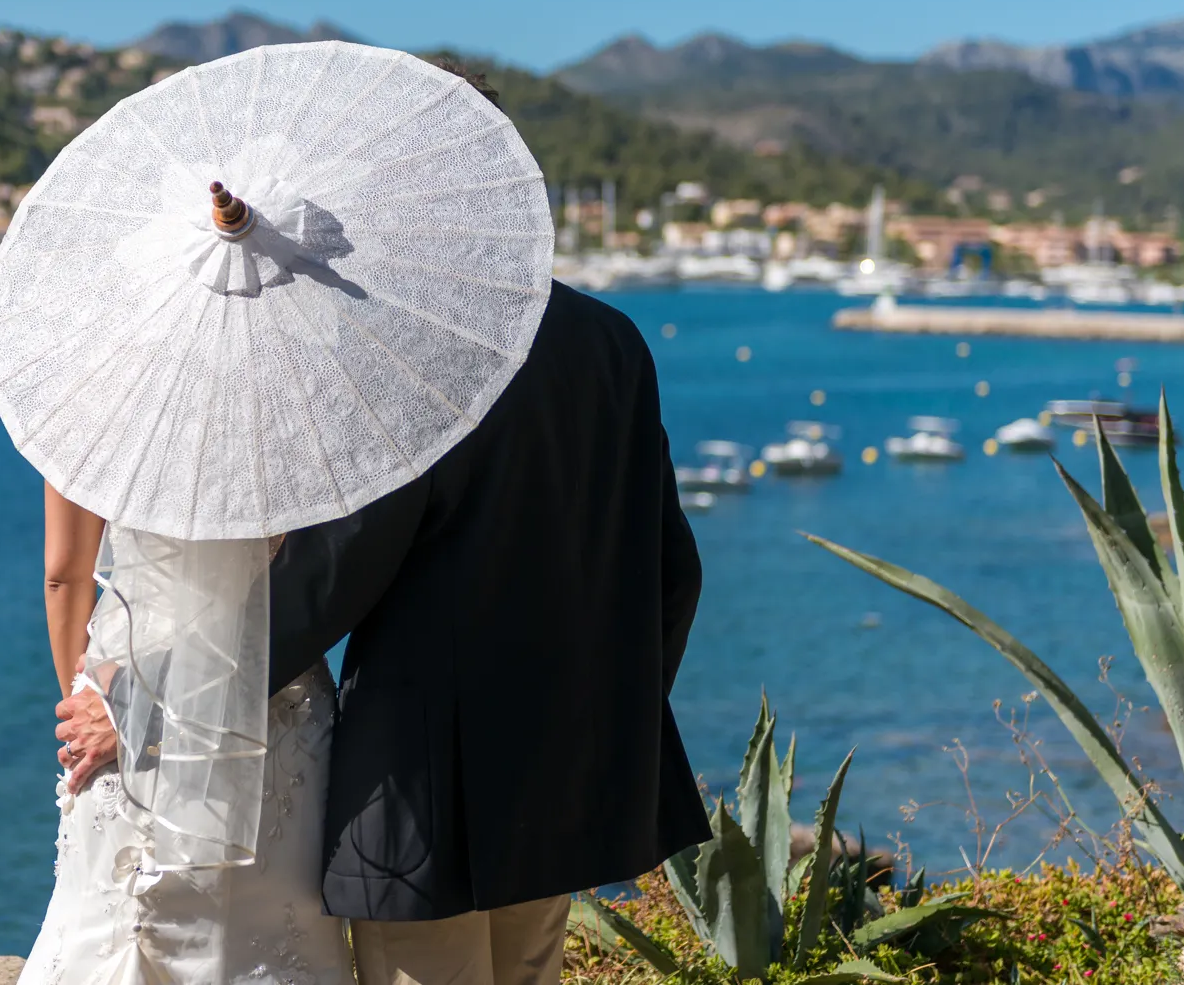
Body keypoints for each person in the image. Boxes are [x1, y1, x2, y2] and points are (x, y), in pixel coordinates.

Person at [56, 277, 709, 985]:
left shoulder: (420, 349)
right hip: (563, 776)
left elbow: (332, 572)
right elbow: (675, 569)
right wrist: (612, 724)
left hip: (424, 791)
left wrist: (152, 702)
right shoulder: (611, 338)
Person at [22, 483, 358, 985]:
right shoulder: (303, 431)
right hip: (274, 705)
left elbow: (64, 575)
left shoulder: (87, 430)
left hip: (120, 688)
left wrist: (93, 712)